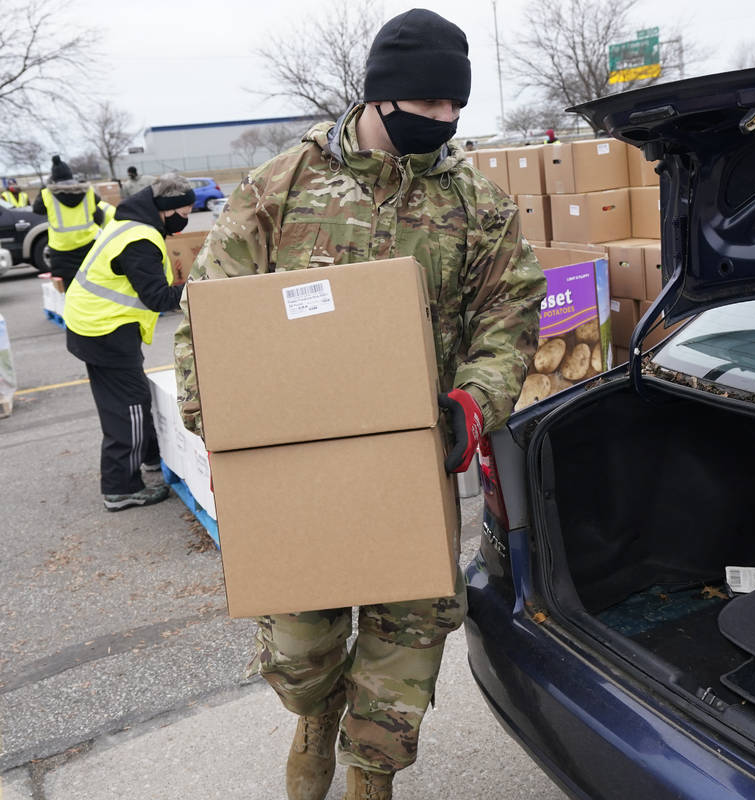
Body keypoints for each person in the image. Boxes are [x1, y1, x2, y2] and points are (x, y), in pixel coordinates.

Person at [173, 9, 545, 800]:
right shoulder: (283, 185)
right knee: (301, 642)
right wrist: (225, 427)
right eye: (428, 104)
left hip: (416, 453)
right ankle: (314, 716)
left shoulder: (476, 202)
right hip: (295, 461)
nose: (442, 121)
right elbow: (208, 310)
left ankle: (370, 773)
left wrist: (472, 406)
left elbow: (510, 318)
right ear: (379, 97)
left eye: (454, 108)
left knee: (409, 634)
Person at [62, 174, 193, 511]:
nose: (188, 215)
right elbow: (158, 297)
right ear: (166, 209)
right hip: (104, 330)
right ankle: (121, 488)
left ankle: (148, 455)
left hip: (94, 323)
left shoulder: (133, 224)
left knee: (124, 398)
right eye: (184, 208)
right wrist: (201, 289)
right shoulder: (140, 240)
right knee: (129, 405)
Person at [33, 156, 116, 287]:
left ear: (53, 178)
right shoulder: (88, 191)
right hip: (88, 245)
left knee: (70, 288)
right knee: (95, 283)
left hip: (61, 250)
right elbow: (98, 215)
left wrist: (45, 187)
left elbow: (37, 210)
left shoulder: (46, 194)